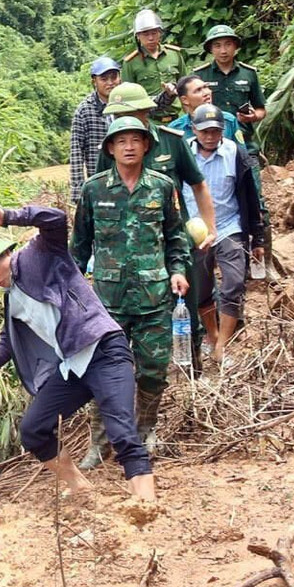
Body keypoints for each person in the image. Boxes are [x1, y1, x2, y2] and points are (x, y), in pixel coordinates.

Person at [0, 206, 157, 500]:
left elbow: (55, 219)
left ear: (5, 254)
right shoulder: (12, 298)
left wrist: (8, 217)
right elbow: (8, 343)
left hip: (103, 350)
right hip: (73, 368)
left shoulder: (38, 255)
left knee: (122, 431)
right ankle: (79, 487)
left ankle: (145, 502)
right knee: (33, 430)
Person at [73, 118, 194, 455]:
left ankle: (146, 431)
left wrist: (177, 270)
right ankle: (99, 443)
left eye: (135, 140)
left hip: (154, 297)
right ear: (110, 148)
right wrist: (73, 291)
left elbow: (176, 237)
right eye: (121, 141)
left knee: (153, 371)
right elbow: (79, 246)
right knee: (102, 372)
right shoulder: (93, 190)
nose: (128, 146)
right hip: (107, 302)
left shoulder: (161, 186)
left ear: (146, 146)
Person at [184, 102, 267, 373]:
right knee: (201, 287)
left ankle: (222, 346)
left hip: (230, 226)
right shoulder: (183, 153)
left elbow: (251, 195)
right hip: (195, 231)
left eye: (215, 131)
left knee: (233, 283)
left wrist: (258, 238)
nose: (210, 136)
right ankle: (211, 335)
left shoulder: (235, 153)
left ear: (223, 131)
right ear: (194, 129)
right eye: (204, 131)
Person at [93, 82, 218, 244]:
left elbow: (198, 184)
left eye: (130, 114)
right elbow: (98, 195)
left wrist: (210, 229)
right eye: (118, 116)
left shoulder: (172, 141)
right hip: (127, 243)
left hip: (173, 239)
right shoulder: (111, 148)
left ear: (145, 112)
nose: (124, 121)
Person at [191, 24, 270, 279]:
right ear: (210, 49)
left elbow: (261, 110)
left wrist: (250, 118)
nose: (223, 50)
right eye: (217, 45)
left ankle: (261, 262)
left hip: (243, 147)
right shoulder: (200, 75)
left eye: (227, 44)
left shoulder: (248, 75)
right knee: (212, 200)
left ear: (236, 47)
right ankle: (215, 261)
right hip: (207, 147)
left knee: (255, 201)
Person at [68, 56, 121, 209]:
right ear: (94, 81)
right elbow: (76, 151)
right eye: (104, 79)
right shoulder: (84, 110)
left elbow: (153, 106)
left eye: (114, 77)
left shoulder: (127, 102)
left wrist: (169, 95)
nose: (110, 83)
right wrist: (78, 192)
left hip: (130, 177)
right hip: (100, 179)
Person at [120, 8, 182, 100]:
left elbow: (184, 85)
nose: (151, 38)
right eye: (145, 34)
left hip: (175, 112)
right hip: (147, 112)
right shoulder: (130, 62)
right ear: (138, 36)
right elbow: (128, 96)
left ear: (160, 33)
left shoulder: (174, 54)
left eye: (154, 33)